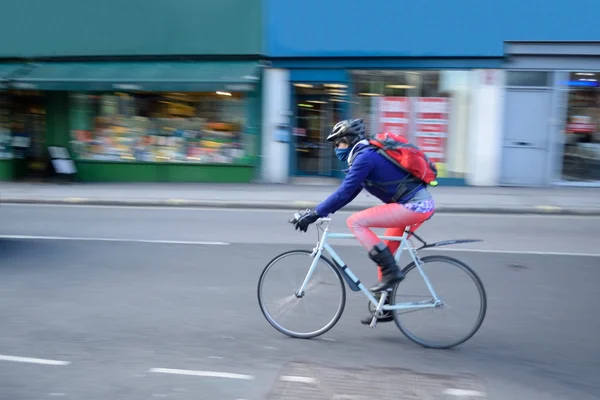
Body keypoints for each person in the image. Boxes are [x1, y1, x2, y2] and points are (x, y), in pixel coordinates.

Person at [294, 118, 435, 325]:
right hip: (414, 205)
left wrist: (316, 213)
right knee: (386, 252)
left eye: (338, 143)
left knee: (356, 222)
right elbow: (349, 194)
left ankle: (392, 274)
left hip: (414, 207)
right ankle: (384, 307)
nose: (336, 148)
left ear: (348, 140)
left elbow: (344, 192)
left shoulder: (365, 158)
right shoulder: (364, 157)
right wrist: (318, 211)